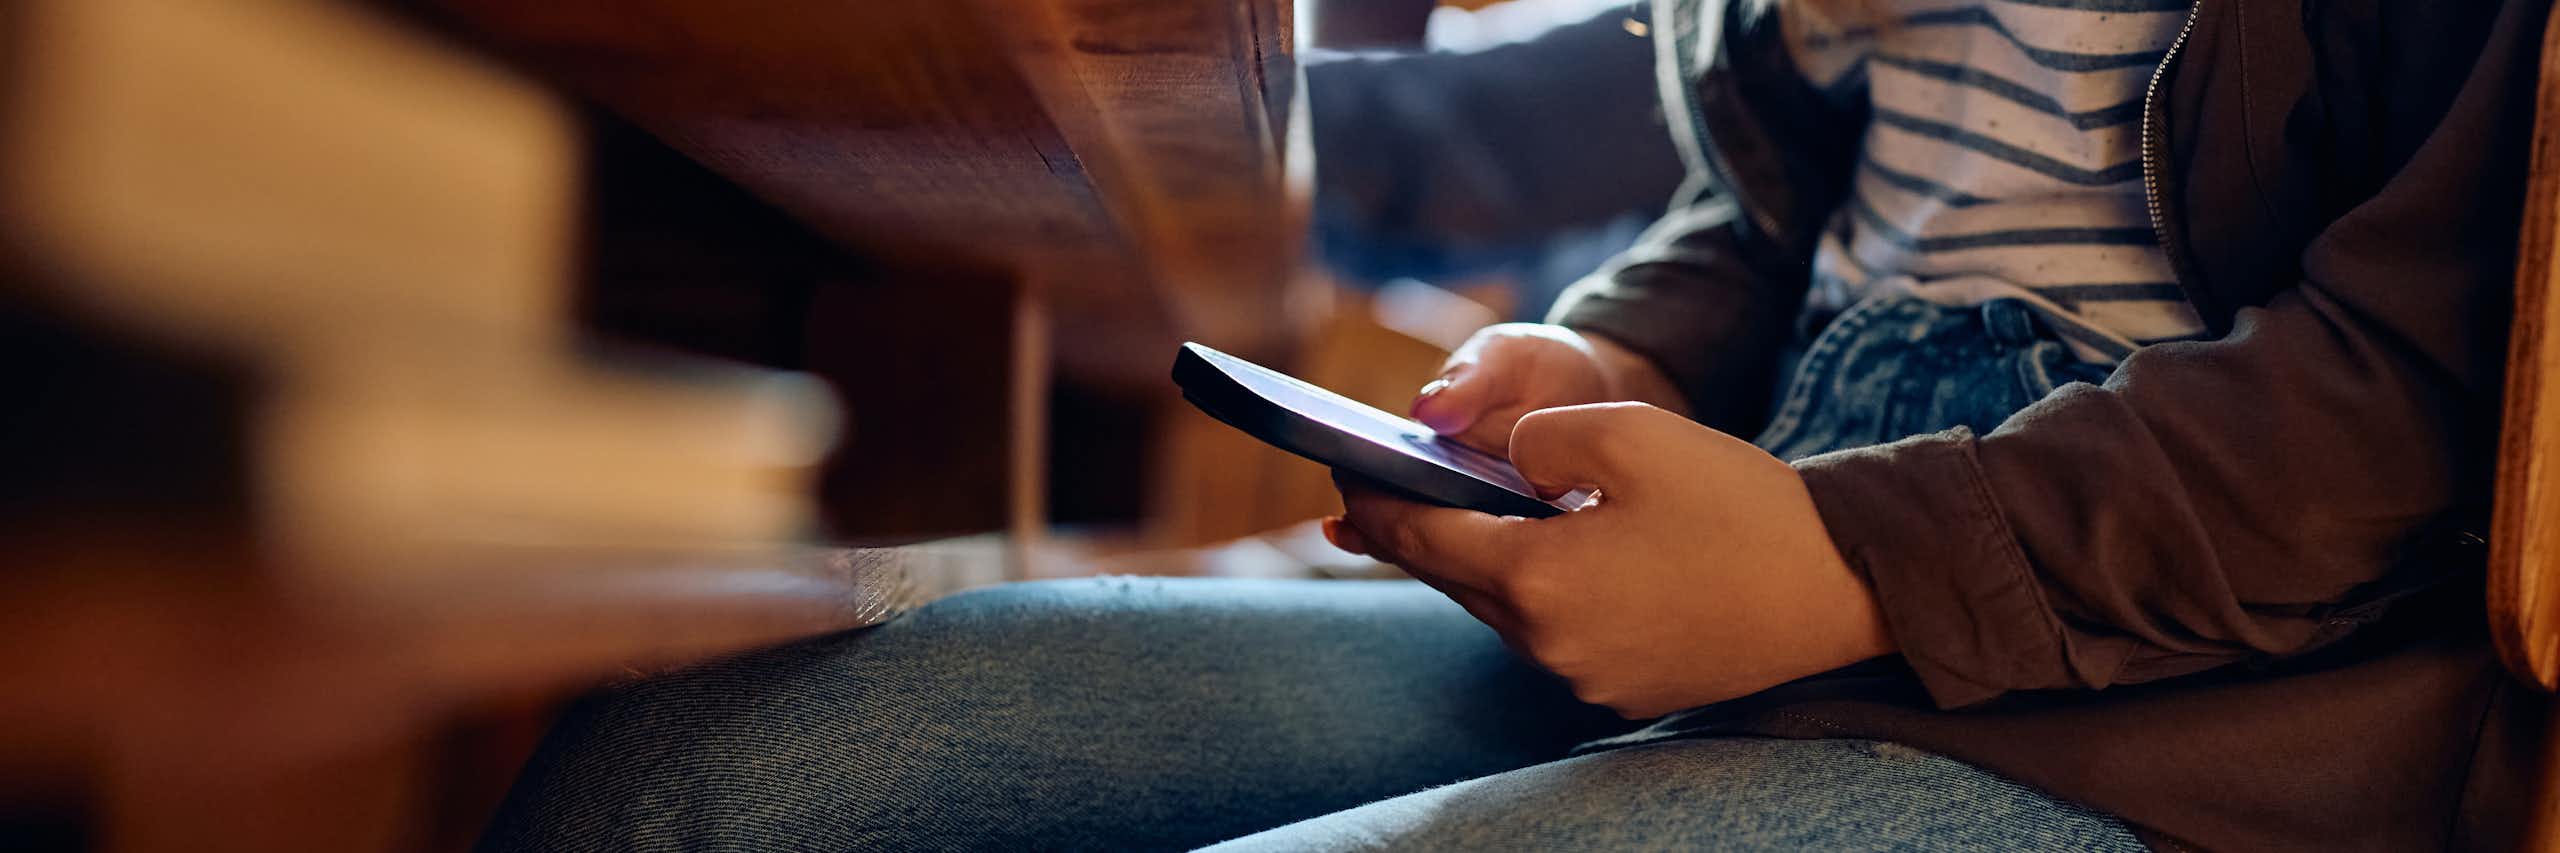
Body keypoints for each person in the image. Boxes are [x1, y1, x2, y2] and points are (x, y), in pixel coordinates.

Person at [478, 0, 2553, 849]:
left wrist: (1838, 567)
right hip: (1762, 557)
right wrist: (1618, 363)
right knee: (688, 774)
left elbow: (2407, 406)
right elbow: (1758, 205)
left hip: (2135, 717)